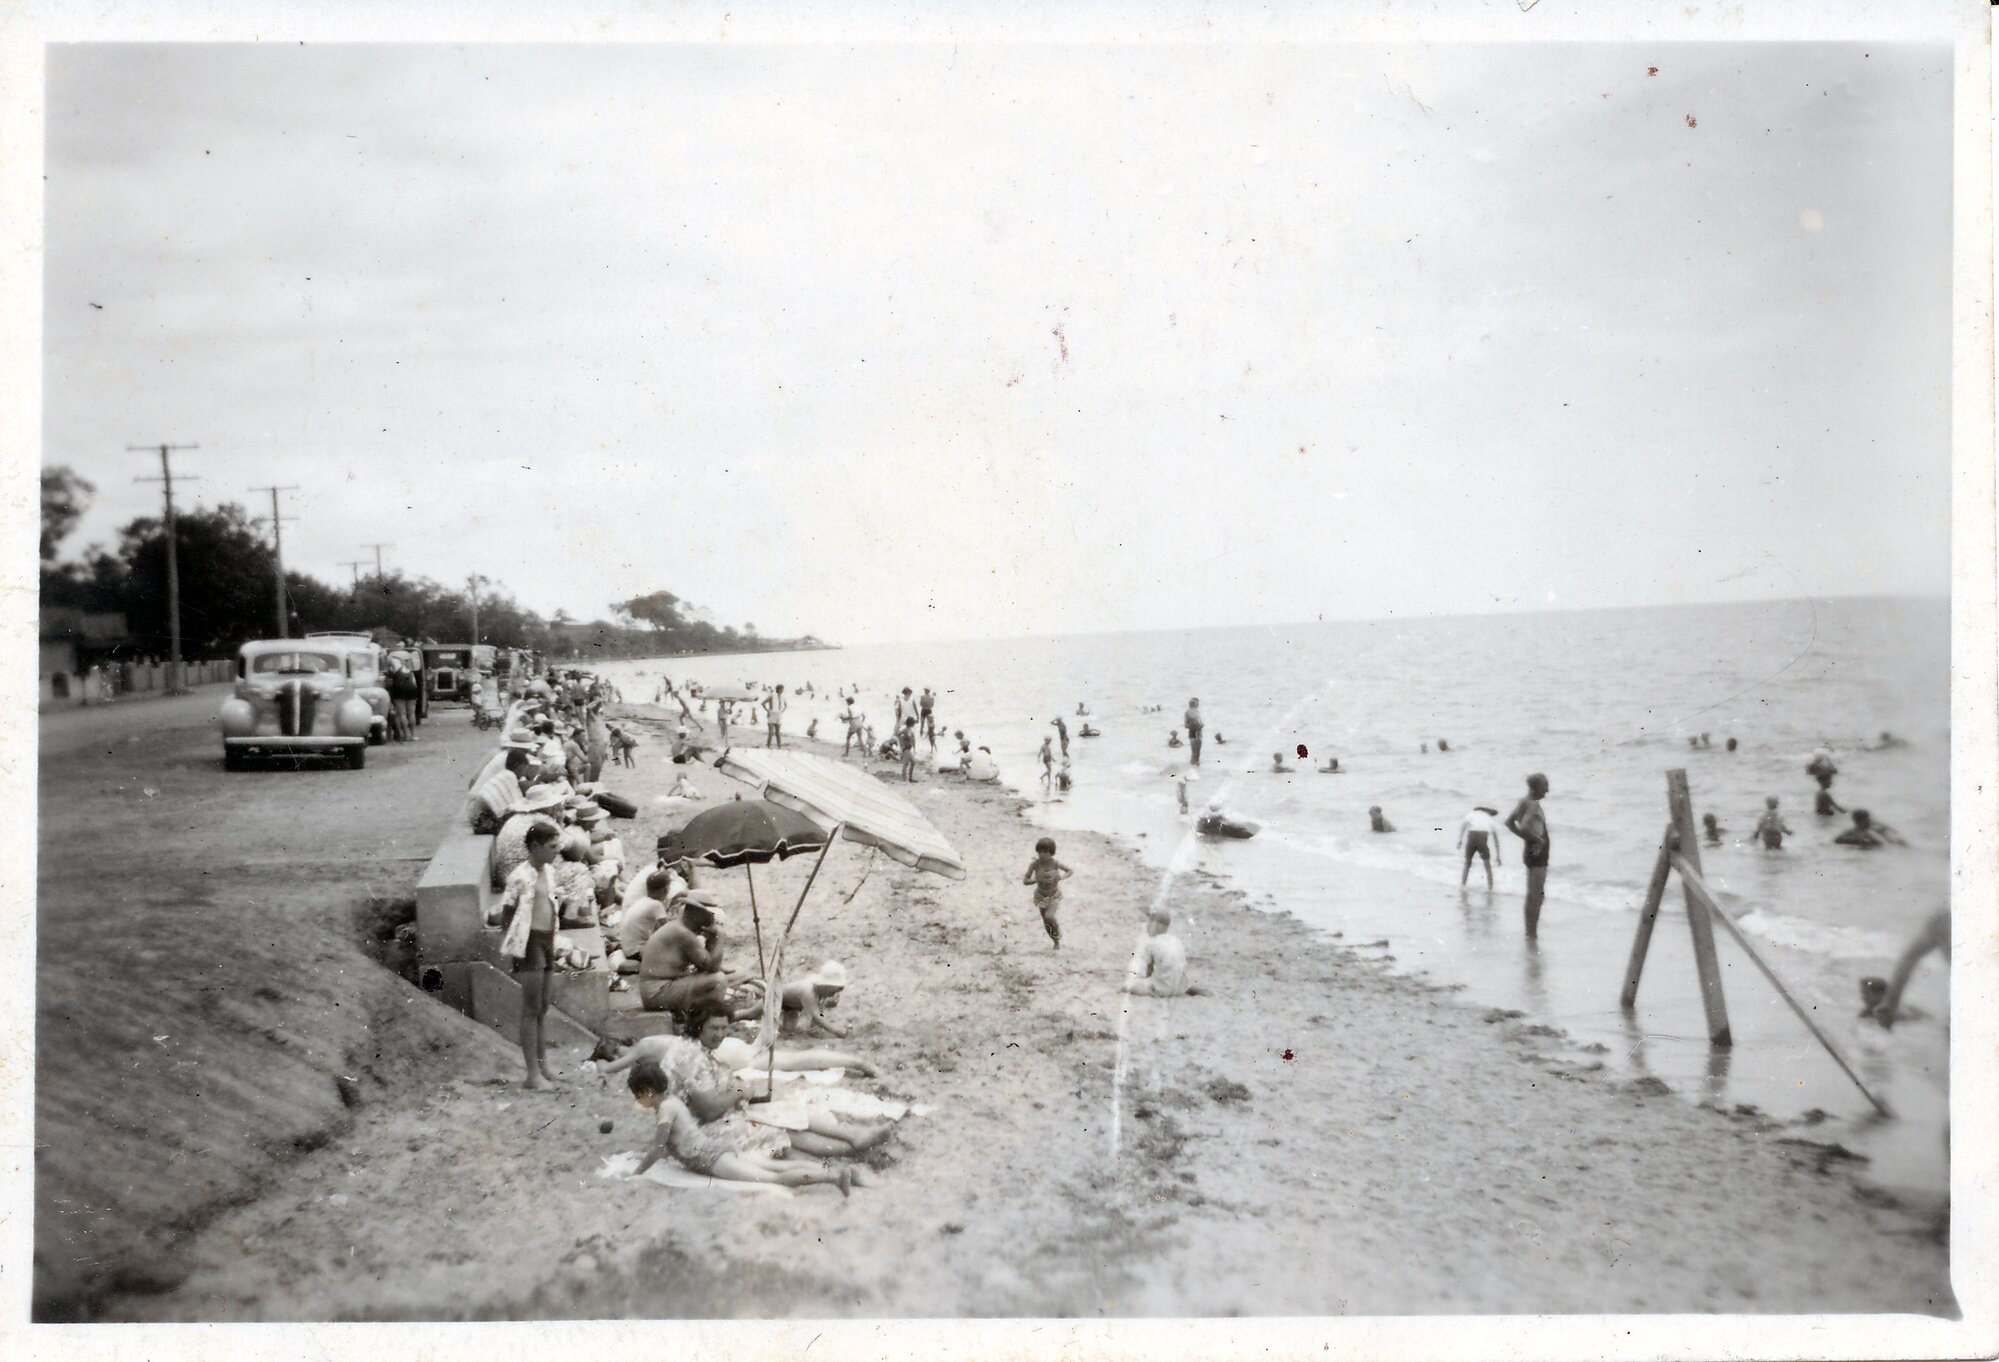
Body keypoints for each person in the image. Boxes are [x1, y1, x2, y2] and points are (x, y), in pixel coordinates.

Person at [624, 1055, 853, 1195]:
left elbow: (658, 1148)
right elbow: (668, 1145)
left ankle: (833, 1178)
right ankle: (832, 1173)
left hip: (710, 1158)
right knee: (774, 1168)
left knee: (773, 1178)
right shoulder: (671, 1101)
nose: (638, 1102)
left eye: (638, 1096)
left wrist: (637, 1172)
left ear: (647, 1092)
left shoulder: (665, 1110)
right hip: (716, 1149)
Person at [496, 822, 564, 1089]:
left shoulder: (549, 872)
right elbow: (507, 911)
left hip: (547, 939)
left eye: (558, 847)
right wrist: (512, 943)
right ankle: (532, 1074)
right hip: (530, 942)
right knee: (531, 1007)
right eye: (551, 847)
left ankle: (543, 1063)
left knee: (543, 1006)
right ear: (535, 847)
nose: (556, 852)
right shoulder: (520, 876)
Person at [639, 890, 731, 1015]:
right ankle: (708, 1018)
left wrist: (711, 938)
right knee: (718, 980)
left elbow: (707, 964)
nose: (711, 919)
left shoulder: (679, 927)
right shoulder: (683, 933)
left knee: (725, 977)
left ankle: (698, 1015)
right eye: (708, 914)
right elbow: (712, 967)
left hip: (657, 990)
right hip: (656, 992)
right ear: (696, 914)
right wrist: (720, 937)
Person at [1864, 907, 1949, 1028]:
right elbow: (1910, 957)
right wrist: (1891, 1002)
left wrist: (1891, 1002)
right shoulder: (1944, 919)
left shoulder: (1945, 919)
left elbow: (1910, 958)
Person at [731, 960, 852, 1038]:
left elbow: (818, 1012)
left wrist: (814, 1028)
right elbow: (817, 1015)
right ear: (826, 985)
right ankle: (728, 1017)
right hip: (775, 997)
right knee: (751, 1013)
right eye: (834, 990)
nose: (834, 994)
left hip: (792, 1006)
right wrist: (836, 1031)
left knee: (788, 1031)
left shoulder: (821, 993)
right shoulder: (808, 991)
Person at [1504, 773, 1551, 938]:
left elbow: (1509, 823)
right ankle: (1532, 934)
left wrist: (1528, 839)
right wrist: (1537, 839)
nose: (1548, 790)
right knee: (1537, 896)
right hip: (1538, 852)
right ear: (1536, 787)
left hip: (1530, 850)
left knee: (1533, 894)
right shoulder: (1532, 805)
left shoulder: (1523, 801)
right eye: (1545, 786)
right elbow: (1524, 827)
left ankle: (1529, 932)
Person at [614, 871, 677, 972]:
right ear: (665, 890)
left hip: (628, 948)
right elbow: (667, 931)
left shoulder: (643, 901)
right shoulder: (656, 905)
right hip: (636, 952)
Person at [1121, 911, 1190, 997]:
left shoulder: (1152, 942)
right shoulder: (1176, 941)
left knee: (1126, 986)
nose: (1147, 927)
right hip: (1180, 989)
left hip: (1162, 989)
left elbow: (1145, 971)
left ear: (1156, 926)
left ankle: (1155, 991)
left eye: (1149, 924)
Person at [1022, 836, 1074, 950]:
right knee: (1046, 922)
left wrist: (1061, 877)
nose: (1041, 854)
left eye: (1045, 852)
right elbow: (1025, 881)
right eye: (1039, 852)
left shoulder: (1055, 863)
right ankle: (1055, 941)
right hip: (1041, 896)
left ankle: (1058, 938)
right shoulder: (1035, 864)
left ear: (1051, 853)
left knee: (1049, 916)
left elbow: (1070, 871)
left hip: (1054, 895)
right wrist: (1035, 880)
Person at [1457, 805, 1502, 889]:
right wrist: (1498, 856)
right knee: (1487, 866)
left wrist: (1460, 839)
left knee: (1467, 863)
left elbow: (1463, 825)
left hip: (1471, 836)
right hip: (1482, 838)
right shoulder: (1490, 819)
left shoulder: (1472, 814)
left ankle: (1462, 885)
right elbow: (1496, 840)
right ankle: (1490, 888)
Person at [1835, 808, 1900, 848]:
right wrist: (1861, 841)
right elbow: (1837, 840)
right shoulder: (1853, 832)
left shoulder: (1873, 829)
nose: (1870, 821)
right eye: (1868, 819)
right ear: (1861, 821)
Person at [765, 684, 787, 748]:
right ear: (778, 689)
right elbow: (763, 703)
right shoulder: (772, 696)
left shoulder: (782, 697)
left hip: (778, 714)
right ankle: (768, 746)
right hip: (772, 714)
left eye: (783, 689)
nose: (783, 690)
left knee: (778, 733)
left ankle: (779, 746)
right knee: (771, 732)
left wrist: (781, 712)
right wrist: (768, 710)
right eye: (782, 689)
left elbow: (785, 705)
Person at [1183, 698, 1204, 764]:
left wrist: (1201, 725)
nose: (1198, 705)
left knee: (1198, 751)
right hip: (1193, 732)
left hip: (1198, 732)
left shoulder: (1197, 711)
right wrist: (1195, 726)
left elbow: (1200, 722)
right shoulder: (1188, 712)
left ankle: (1195, 767)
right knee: (1195, 751)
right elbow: (1186, 725)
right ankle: (1194, 766)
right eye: (1196, 704)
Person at [898, 717, 919, 782]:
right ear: (911, 723)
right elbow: (898, 734)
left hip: (908, 748)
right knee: (909, 763)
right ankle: (906, 779)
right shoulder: (906, 730)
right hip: (906, 749)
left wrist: (914, 748)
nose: (914, 724)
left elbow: (913, 740)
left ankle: (908, 778)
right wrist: (902, 742)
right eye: (913, 723)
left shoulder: (909, 730)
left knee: (910, 763)